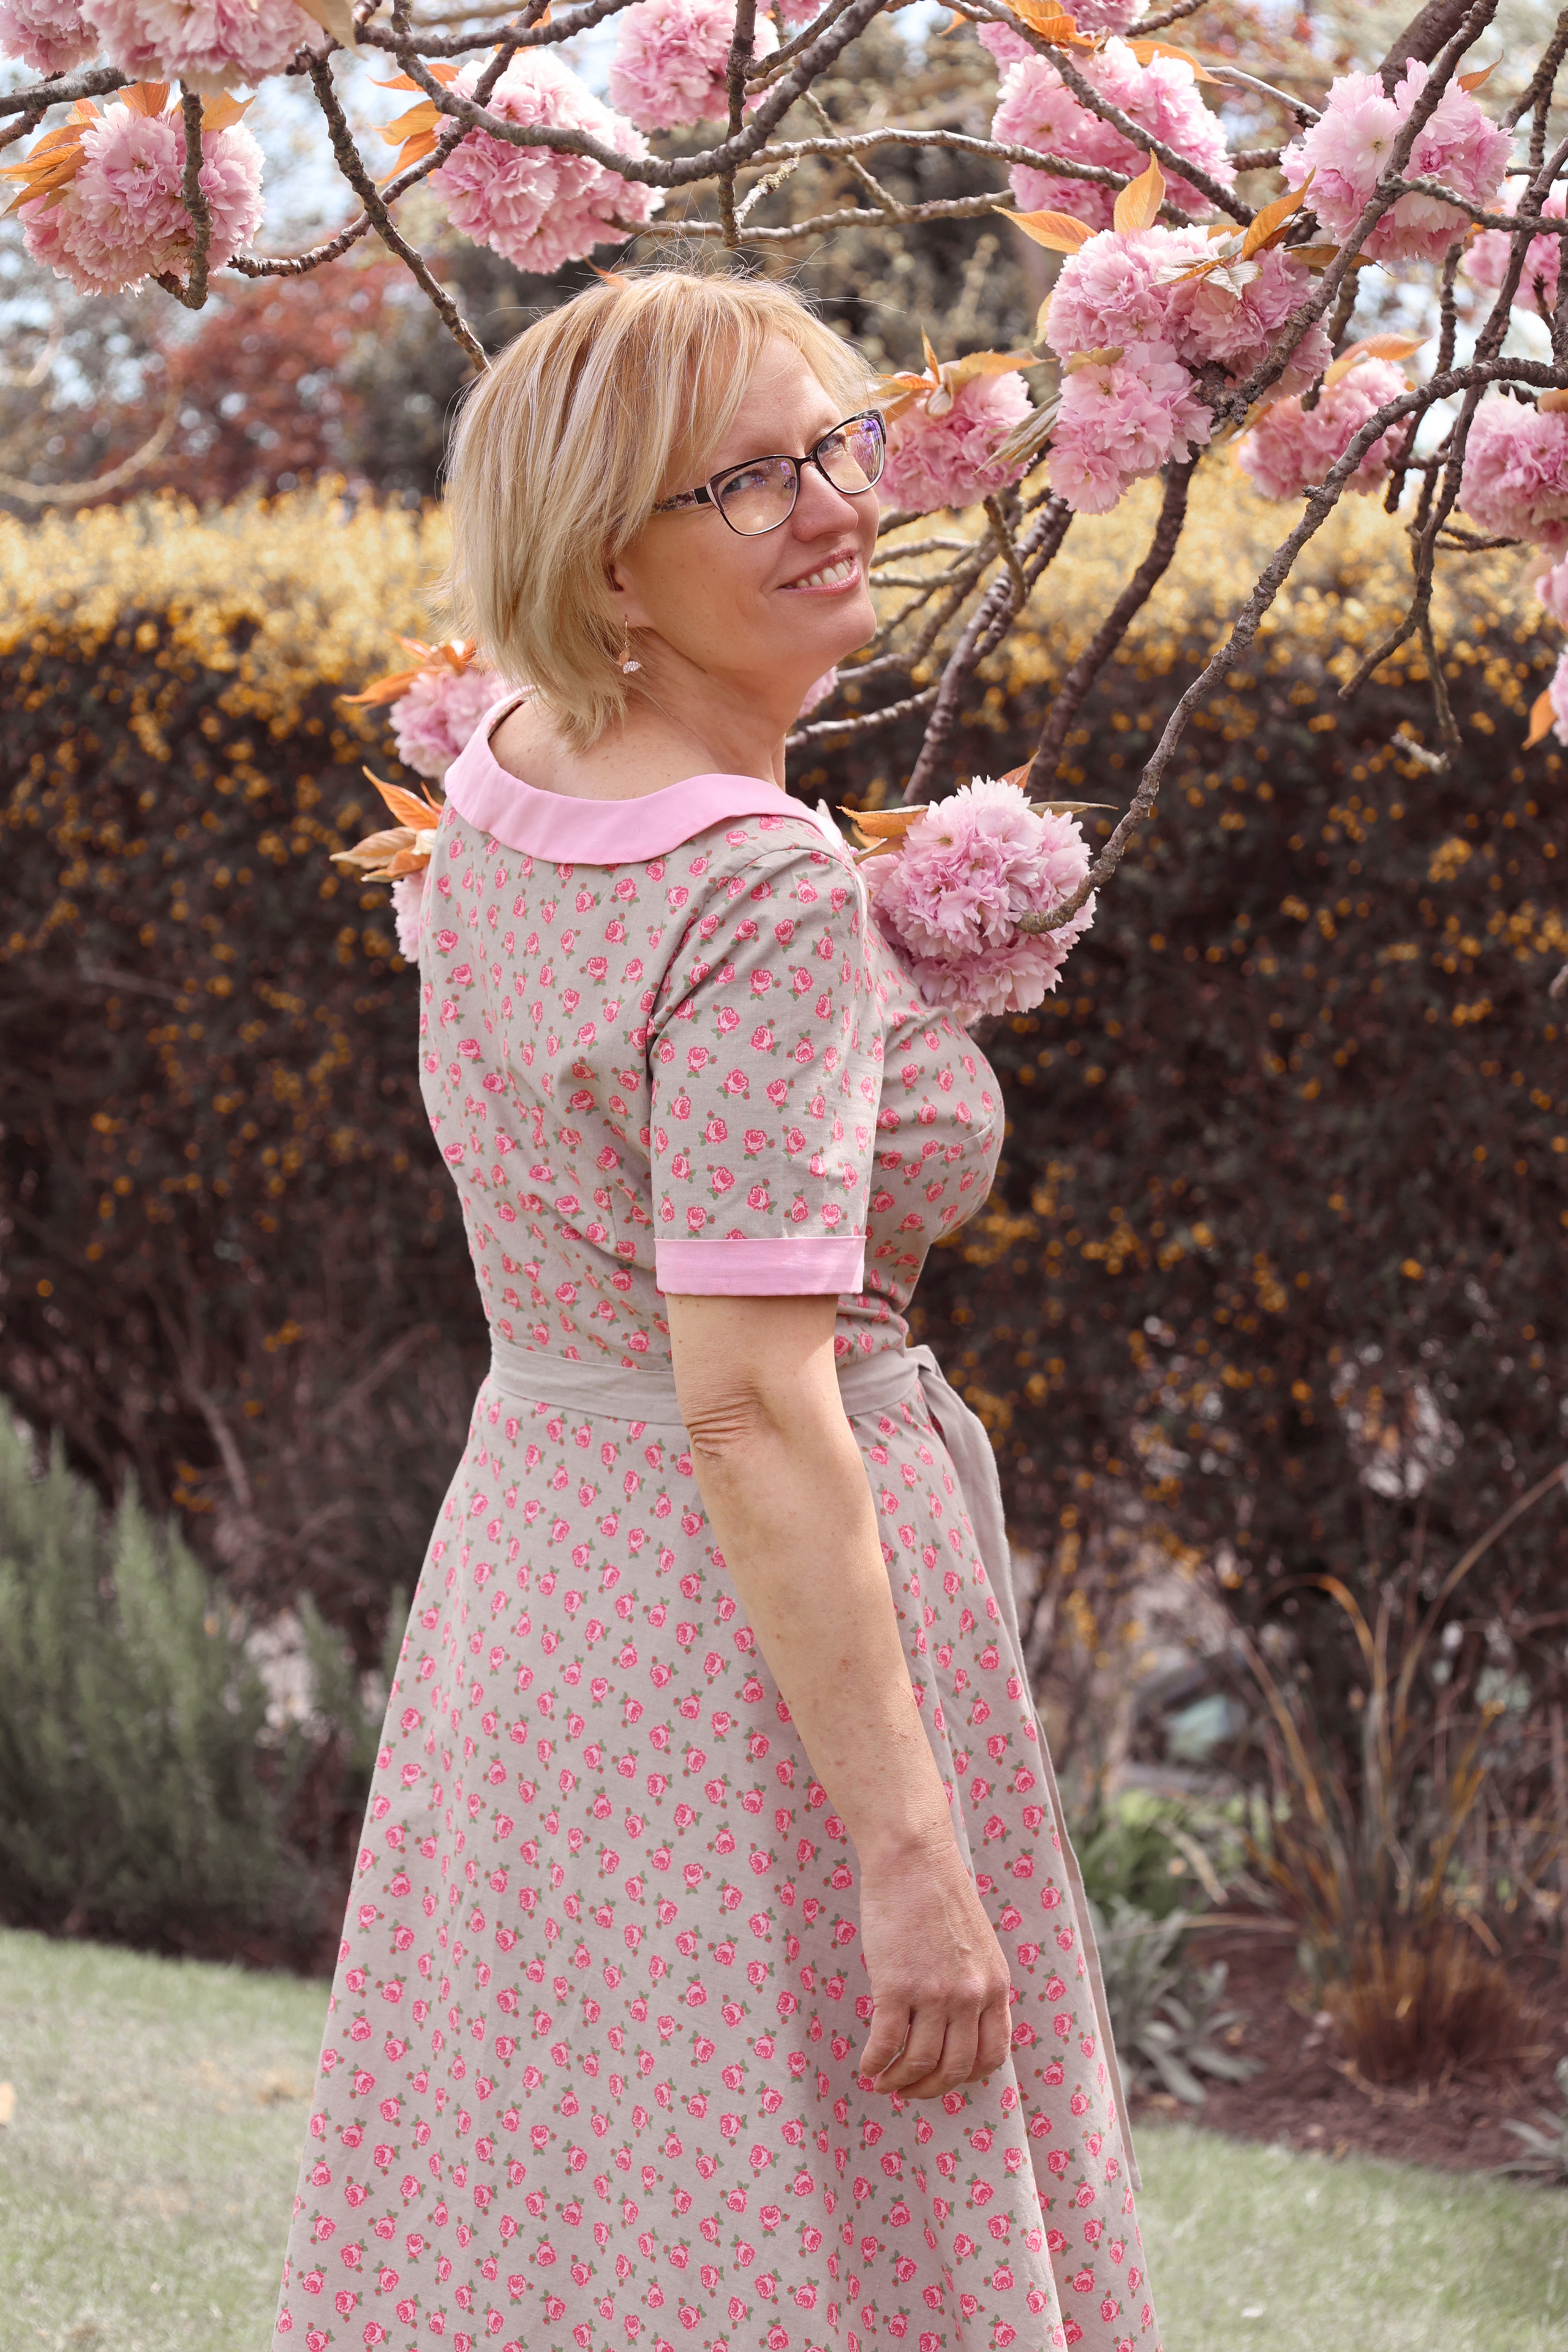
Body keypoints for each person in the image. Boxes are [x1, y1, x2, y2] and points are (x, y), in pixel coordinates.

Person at [272, 266, 1158, 2352]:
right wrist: (909, 1845)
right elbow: (753, 1408)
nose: (834, 498)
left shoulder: (500, 770)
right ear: (615, 560)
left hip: (537, 1582)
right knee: (820, 2222)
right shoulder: (751, 888)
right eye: (747, 479)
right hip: (751, 1630)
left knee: (580, 2205)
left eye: (832, 443)